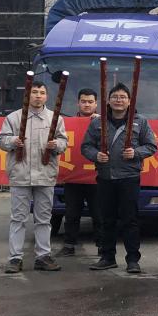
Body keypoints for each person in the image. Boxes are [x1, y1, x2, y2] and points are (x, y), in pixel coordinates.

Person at [80, 82, 158, 274]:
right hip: (105, 177)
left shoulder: (140, 121)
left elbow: (151, 146)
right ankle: (107, 257)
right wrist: (96, 155)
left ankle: (132, 260)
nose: (118, 100)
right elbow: (86, 146)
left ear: (130, 101)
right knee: (107, 219)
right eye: (115, 97)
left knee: (130, 220)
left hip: (129, 177)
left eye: (123, 97)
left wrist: (136, 153)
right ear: (108, 101)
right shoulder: (98, 123)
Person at [0, 81, 68, 273]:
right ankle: (15, 258)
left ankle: (43, 256)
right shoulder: (14, 117)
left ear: (47, 96)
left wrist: (57, 145)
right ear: (27, 95)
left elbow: (64, 141)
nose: (38, 95)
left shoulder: (55, 118)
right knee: (18, 218)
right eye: (34, 92)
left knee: (44, 218)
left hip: (45, 174)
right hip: (20, 174)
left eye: (42, 92)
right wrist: (13, 141)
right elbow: (1, 140)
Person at [60, 87, 102, 256]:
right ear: (78, 103)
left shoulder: (103, 122)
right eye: (83, 101)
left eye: (90, 102)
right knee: (71, 213)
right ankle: (69, 245)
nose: (87, 105)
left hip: (96, 176)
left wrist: (101, 121)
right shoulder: (68, 123)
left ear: (96, 104)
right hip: (73, 176)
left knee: (99, 214)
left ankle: (102, 247)